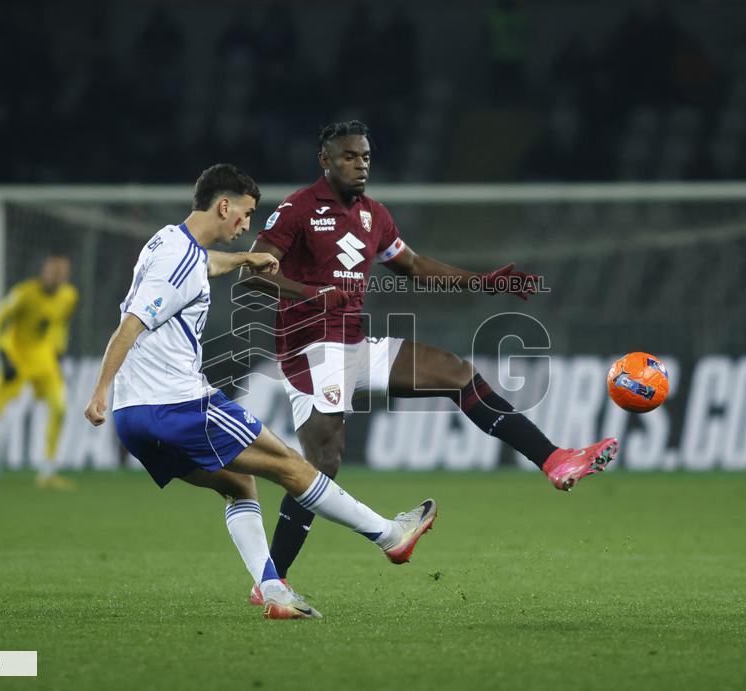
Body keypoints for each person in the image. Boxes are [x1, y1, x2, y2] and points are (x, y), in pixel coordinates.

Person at [240, 120, 618, 599]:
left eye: (365, 157)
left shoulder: (375, 216)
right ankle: (272, 579)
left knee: (457, 374)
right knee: (323, 463)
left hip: (354, 343)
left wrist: (482, 282)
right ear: (325, 160)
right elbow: (253, 274)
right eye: (349, 156)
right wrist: (313, 295)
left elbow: (414, 266)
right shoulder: (298, 208)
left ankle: (554, 459)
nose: (360, 165)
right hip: (310, 350)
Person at [83, 164, 437, 620]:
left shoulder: (168, 242)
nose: (247, 225)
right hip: (178, 404)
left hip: (135, 419)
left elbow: (203, 266)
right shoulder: (178, 259)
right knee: (292, 465)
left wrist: (244, 260)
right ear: (223, 206)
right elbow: (131, 323)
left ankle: (273, 590)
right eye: (246, 214)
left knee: (238, 484)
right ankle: (390, 536)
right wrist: (100, 390)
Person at [0, 253, 79, 490]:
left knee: (60, 408)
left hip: (44, 361)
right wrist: (3, 355)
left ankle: (48, 472)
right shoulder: (24, 294)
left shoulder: (69, 296)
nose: (57, 277)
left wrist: (59, 350)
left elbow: (60, 324)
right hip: (17, 359)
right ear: (44, 272)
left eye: (62, 272)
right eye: (54, 271)